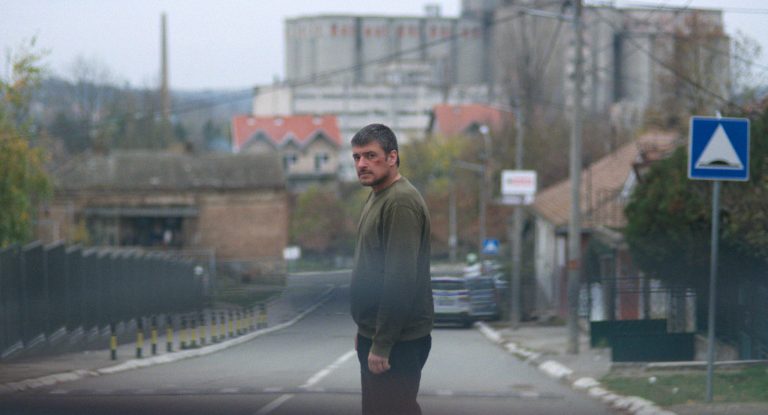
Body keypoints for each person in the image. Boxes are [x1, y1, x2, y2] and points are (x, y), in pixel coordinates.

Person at [349, 123, 434, 415]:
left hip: (399, 342)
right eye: (357, 157)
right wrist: (366, 330)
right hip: (378, 333)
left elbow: (400, 280)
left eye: (370, 155)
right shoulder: (379, 194)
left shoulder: (400, 202)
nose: (362, 164)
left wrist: (382, 343)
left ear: (392, 157)